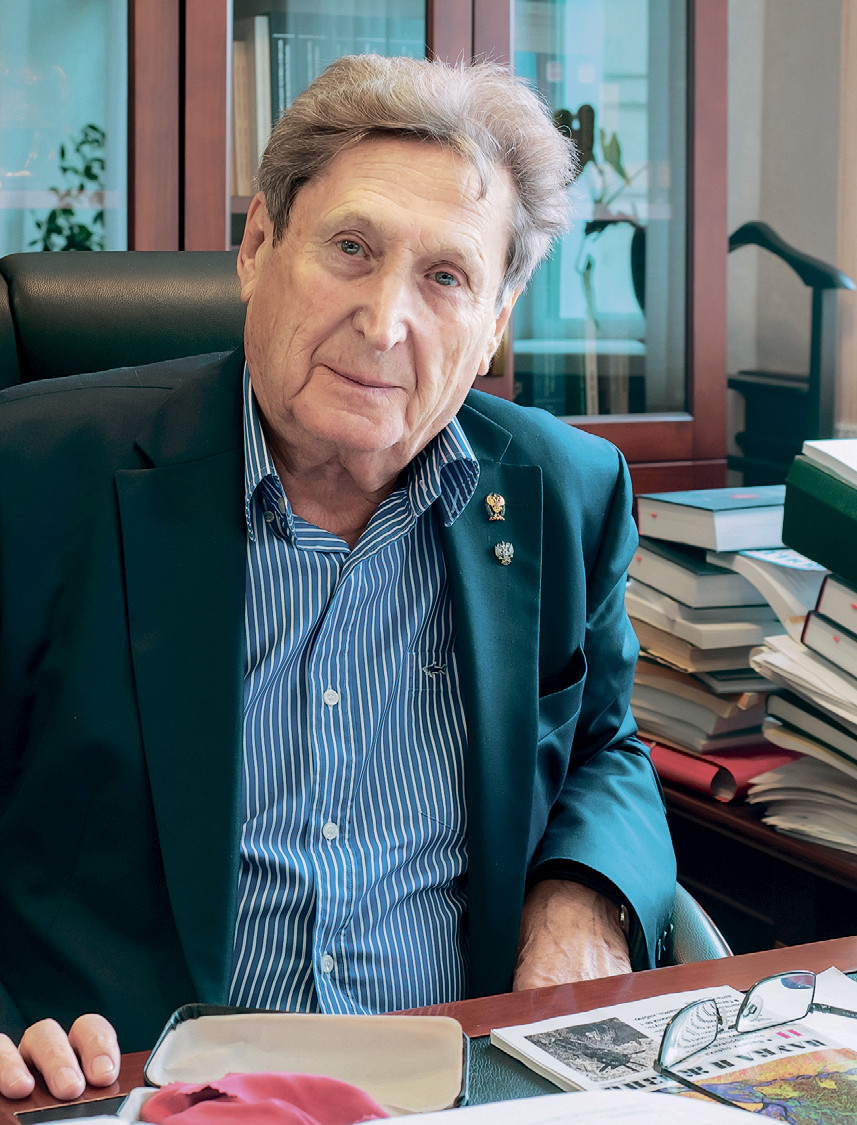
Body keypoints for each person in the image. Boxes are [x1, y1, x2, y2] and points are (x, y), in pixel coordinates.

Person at [0, 54, 676, 1102]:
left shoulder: (563, 491)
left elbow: (603, 744)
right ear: (257, 249)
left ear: (496, 322)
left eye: (446, 277)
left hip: (457, 1083)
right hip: (126, 1087)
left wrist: (584, 893)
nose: (385, 320)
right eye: (351, 249)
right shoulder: (32, 475)